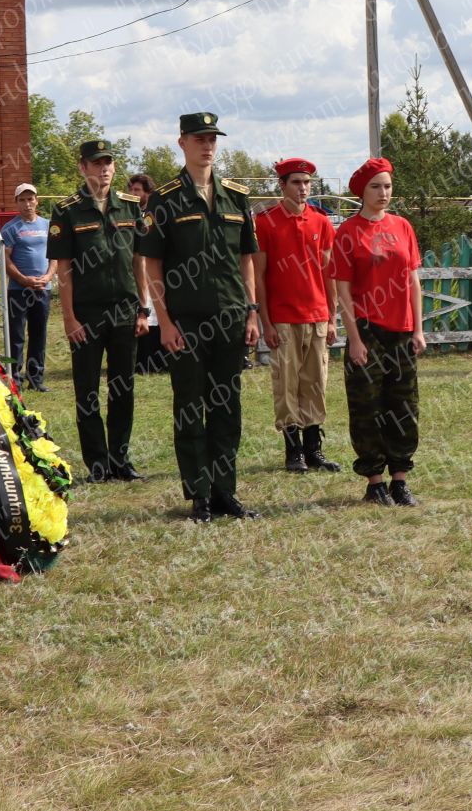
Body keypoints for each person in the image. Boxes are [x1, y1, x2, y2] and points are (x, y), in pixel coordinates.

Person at [137, 112, 260, 522]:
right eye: (199, 139)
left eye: (212, 139)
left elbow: (246, 260)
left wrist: (251, 312)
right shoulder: (165, 198)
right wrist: (165, 321)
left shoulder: (235, 196)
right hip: (185, 321)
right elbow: (152, 265)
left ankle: (226, 491)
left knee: (228, 406)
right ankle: (200, 494)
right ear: (182, 143)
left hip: (229, 315)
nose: (207, 146)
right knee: (190, 406)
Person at [48, 142, 149, 481]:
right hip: (87, 316)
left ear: (115, 168)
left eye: (108, 163)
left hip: (124, 310)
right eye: (96, 163)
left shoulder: (130, 207)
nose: (103, 169)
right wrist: (69, 318)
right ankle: (98, 464)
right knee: (87, 391)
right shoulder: (67, 210)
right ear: (82, 168)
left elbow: (139, 261)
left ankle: (120, 459)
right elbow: (63, 269)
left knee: (123, 389)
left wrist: (142, 310)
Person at [333, 157, 425, 507]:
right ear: (362, 191)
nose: (383, 192)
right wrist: (354, 338)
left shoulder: (403, 226)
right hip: (368, 331)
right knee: (367, 406)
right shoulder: (348, 232)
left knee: (404, 406)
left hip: (402, 331)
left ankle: (400, 479)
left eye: (387, 186)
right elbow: (342, 290)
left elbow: (413, 280)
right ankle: (374, 481)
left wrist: (418, 329)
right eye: (376, 186)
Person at [256, 157, 341, 472]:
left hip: (317, 315)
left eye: (307, 183)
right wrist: (266, 321)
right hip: (283, 317)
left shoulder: (321, 222)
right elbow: (260, 277)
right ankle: (293, 452)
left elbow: (329, 274)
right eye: (296, 182)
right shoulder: (265, 222)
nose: (303, 189)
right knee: (287, 384)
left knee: (315, 382)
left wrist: (332, 318)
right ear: (281, 185)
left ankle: (314, 449)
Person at [0, 182, 54, 393]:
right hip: (18, 290)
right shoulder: (10, 228)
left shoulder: (48, 225)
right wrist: (23, 279)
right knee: (17, 335)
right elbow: (6, 259)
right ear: (17, 203)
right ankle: (14, 379)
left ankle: (36, 378)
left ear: (37, 200)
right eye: (22, 200)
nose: (27, 203)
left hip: (43, 288)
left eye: (30, 199)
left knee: (39, 333)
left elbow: (54, 256)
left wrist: (47, 276)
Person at [124, 173, 166, 373]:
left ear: (147, 192)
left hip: (157, 270)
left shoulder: (157, 212)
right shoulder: (129, 215)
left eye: (137, 190)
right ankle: (142, 359)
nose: (133, 193)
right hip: (137, 271)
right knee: (143, 311)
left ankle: (159, 358)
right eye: (131, 190)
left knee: (158, 312)